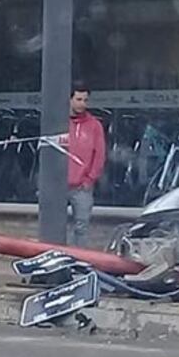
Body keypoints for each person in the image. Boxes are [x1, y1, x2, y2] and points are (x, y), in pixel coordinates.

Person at [67, 82, 106, 247]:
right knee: (56, 226)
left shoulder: (94, 125)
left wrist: (90, 179)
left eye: (85, 100)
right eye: (78, 99)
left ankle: (77, 261)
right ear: (70, 100)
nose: (82, 103)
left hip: (82, 186)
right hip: (60, 184)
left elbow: (99, 154)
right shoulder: (60, 123)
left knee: (81, 227)